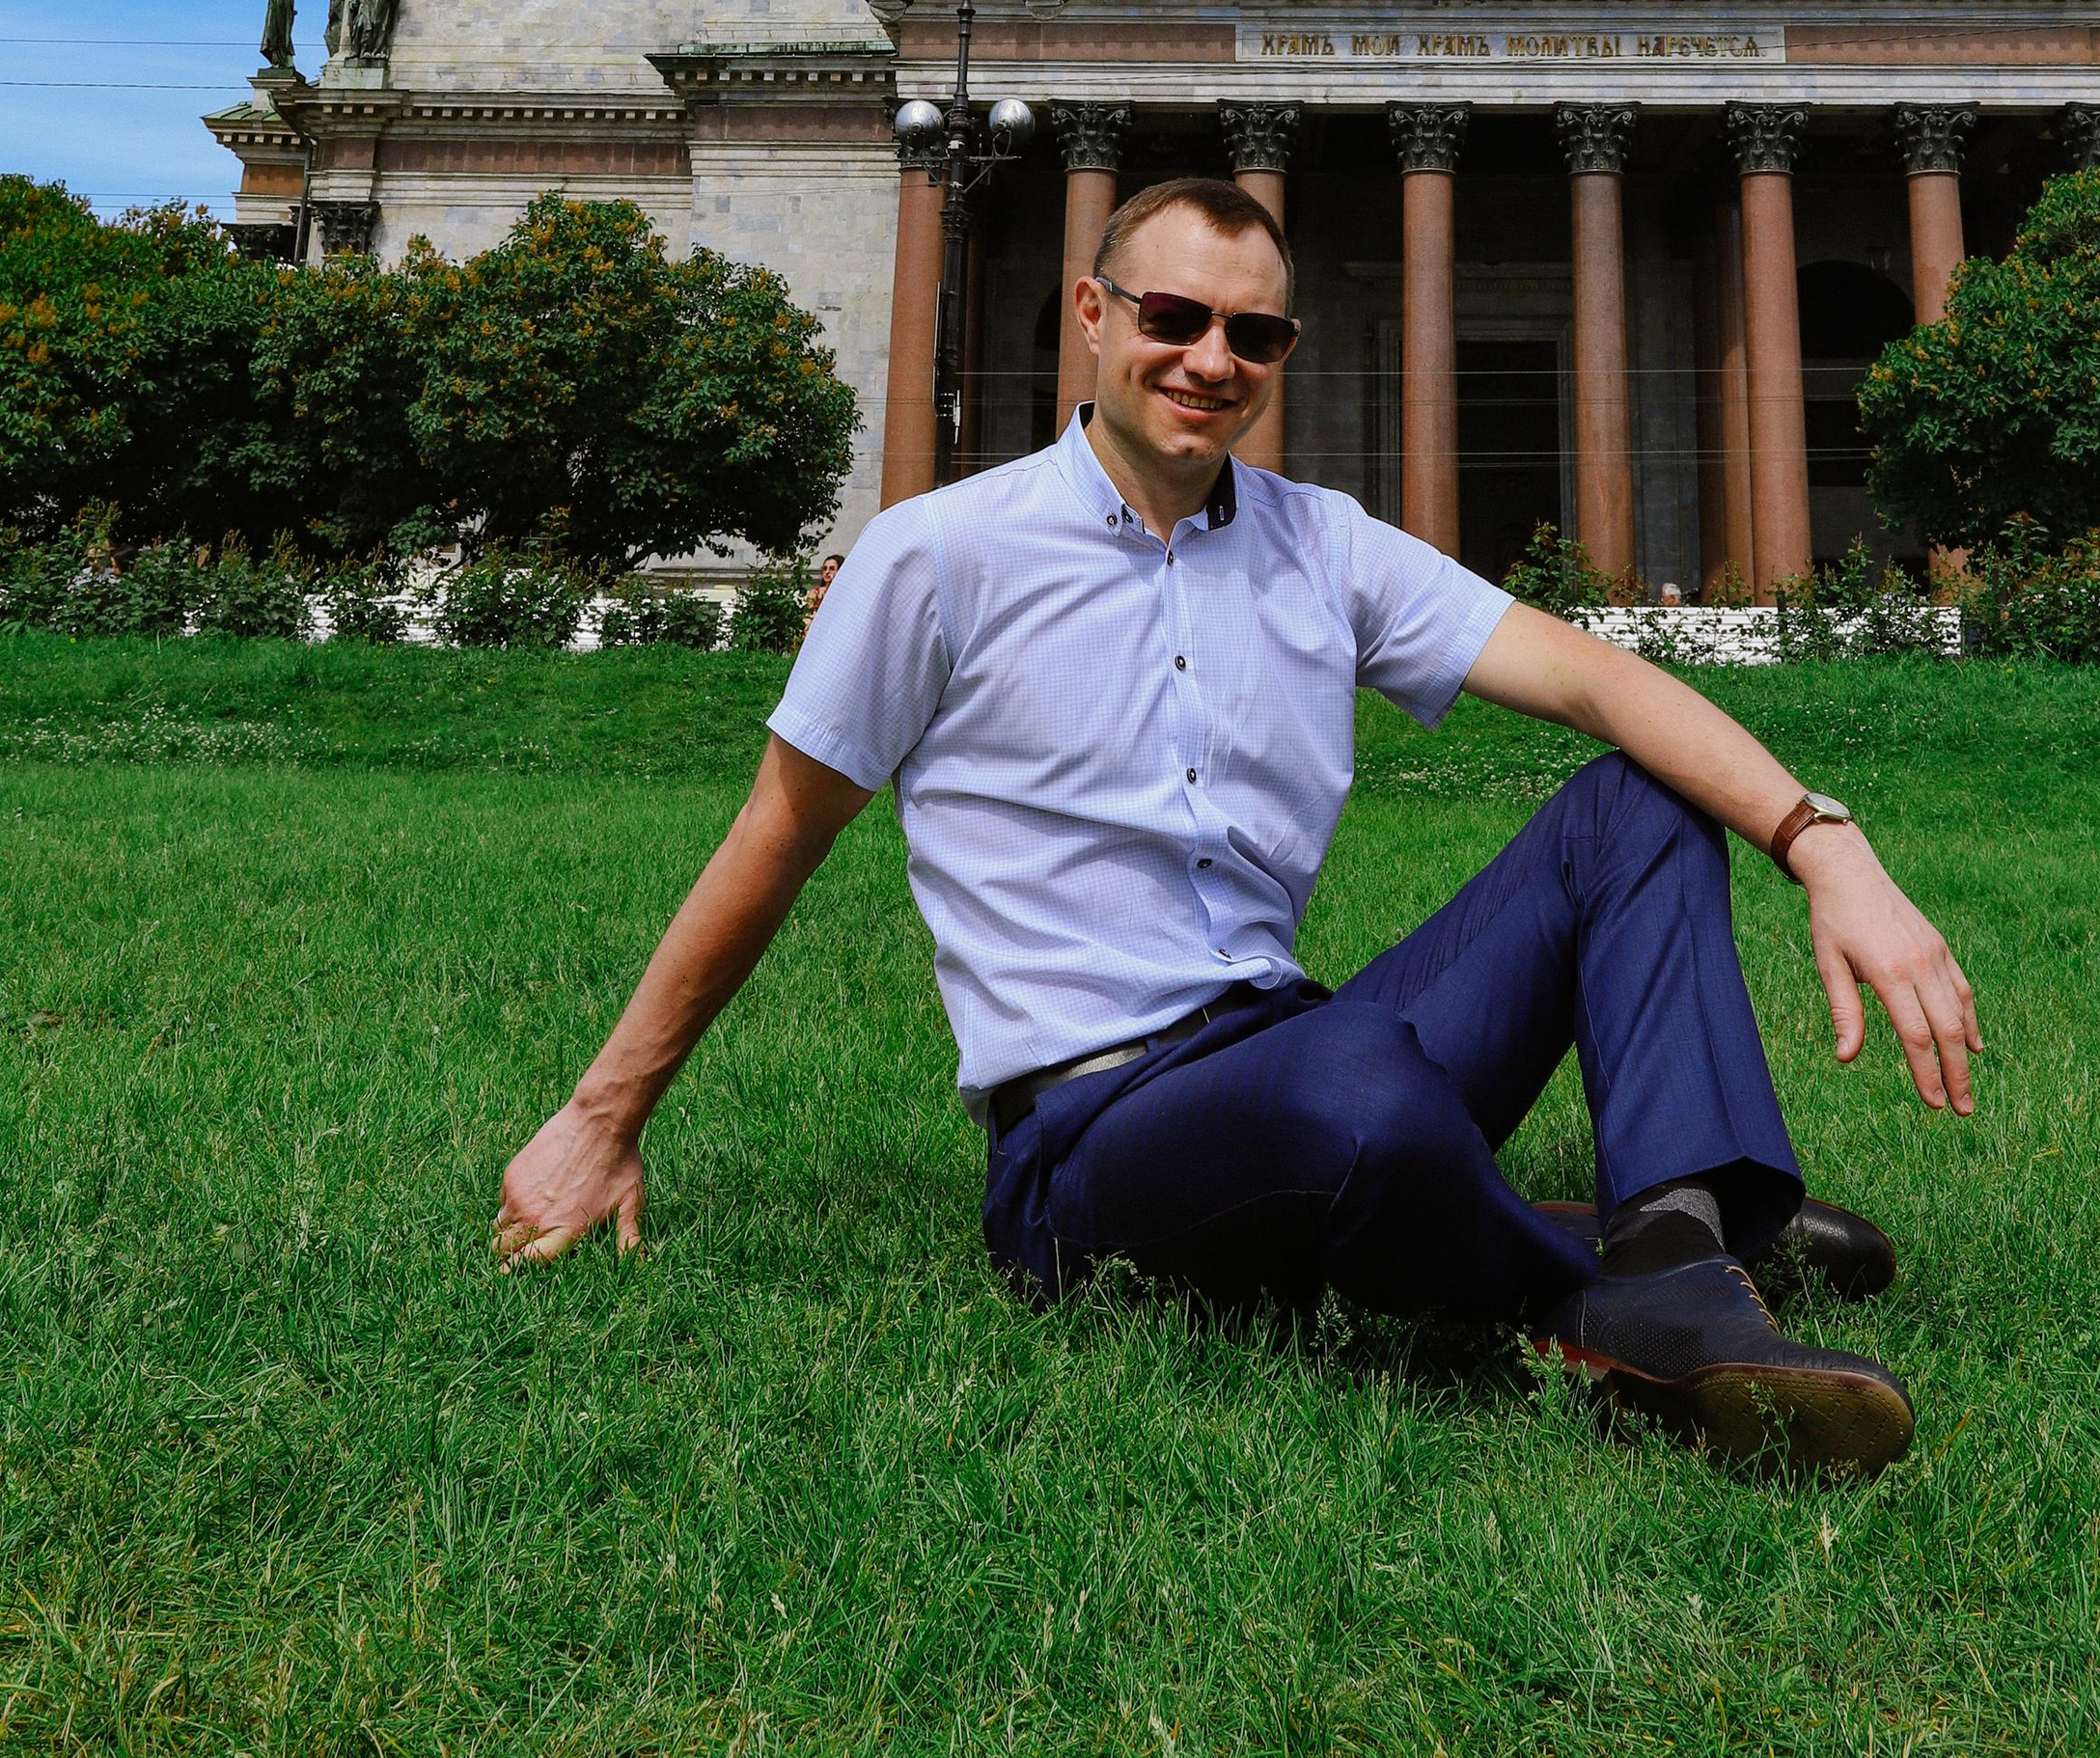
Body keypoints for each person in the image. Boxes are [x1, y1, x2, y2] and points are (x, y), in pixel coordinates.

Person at [497, 179, 1979, 1474]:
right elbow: (777, 837)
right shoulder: (935, 557)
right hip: (1088, 1145)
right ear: (1092, 310)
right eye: (1175, 315)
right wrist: (601, 1118)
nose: (1211, 360)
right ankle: (1609, 1296)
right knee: (1351, 1081)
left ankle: (1669, 1240)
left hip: (1281, 1044)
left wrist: (1823, 842)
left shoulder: (1320, 543)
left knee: (1633, 812)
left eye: (1254, 336)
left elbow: (1595, 679)